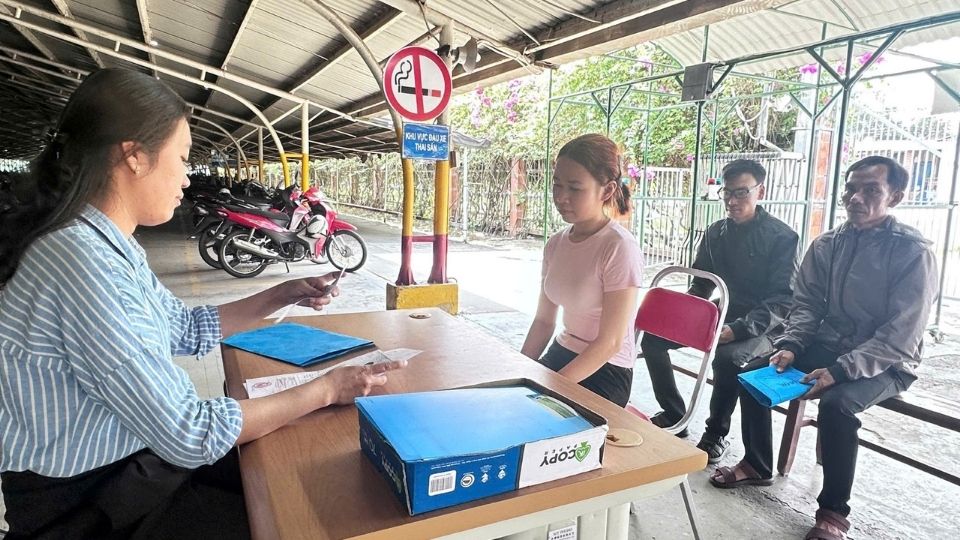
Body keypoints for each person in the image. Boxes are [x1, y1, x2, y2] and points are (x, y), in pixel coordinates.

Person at [0, 68, 406, 539]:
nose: (186, 178)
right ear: (134, 157)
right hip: (91, 505)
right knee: (300, 514)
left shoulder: (106, 244)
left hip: (134, 465)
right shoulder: (81, 264)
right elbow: (190, 433)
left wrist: (284, 292)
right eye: (181, 158)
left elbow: (187, 328)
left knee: (293, 472)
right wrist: (327, 390)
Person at [709, 156, 939, 540]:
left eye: (871, 190)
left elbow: (902, 333)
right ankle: (757, 464)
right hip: (828, 343)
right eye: (851, 189)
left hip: (887, 361)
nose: (856, 198)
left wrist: (841, 370)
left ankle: (833, 512)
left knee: (837, 406)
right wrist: (791, 345)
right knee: (751, 375)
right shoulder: (828, 244)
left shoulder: (912, 253)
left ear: (895, 197)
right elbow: (806, 307)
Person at [640, 159, 799, 463]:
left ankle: (716, 433)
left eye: (741, 192)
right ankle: (674, 413)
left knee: (727, 358)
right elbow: (702, 283)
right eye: (727, 192)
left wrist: (738, 330)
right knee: (653, 338)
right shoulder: (716, 232)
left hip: (768, 325)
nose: (732, 201)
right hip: (724, 309)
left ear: (760, 192)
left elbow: (782, 301)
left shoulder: (782, 237)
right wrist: (683, 315)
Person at [521, 134, 643, 407]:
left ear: (607, 191)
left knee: (537, 417)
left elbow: (610, 342)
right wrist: (519, 370)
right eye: (557, 184)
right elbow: (544, 321)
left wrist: (551, 389)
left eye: (575, 188)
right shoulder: (556, 244)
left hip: (606, 370)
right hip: (562, 351)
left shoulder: (619, 247)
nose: (561, 197)